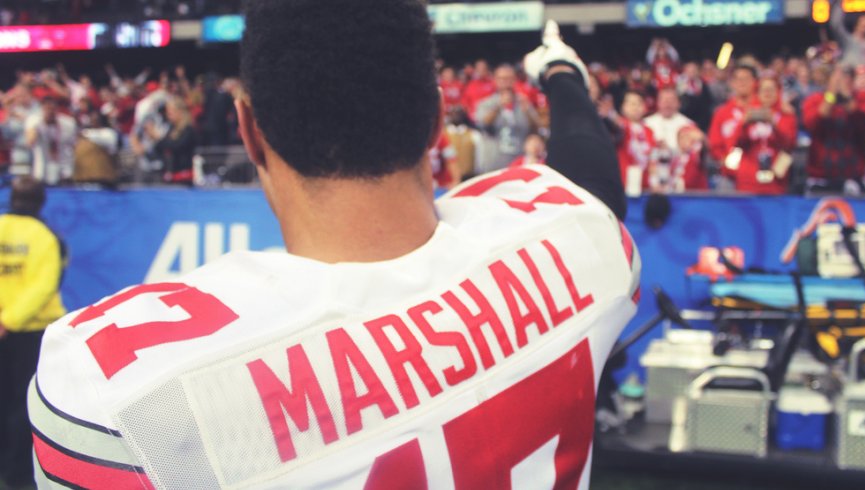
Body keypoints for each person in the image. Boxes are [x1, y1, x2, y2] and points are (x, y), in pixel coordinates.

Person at [29, 4, 639, 488]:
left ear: (248, 131)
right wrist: (563, 74)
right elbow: (588, 168)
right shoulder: (577, 236)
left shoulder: (114, 388)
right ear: (437, 119)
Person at [0, 176, 66, 488]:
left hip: (8, 328)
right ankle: (18, 476)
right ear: (41, 201)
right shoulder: (45, 237)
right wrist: (10, 320)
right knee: (23, 407)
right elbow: (44, 286)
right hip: (30, 332)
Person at [802, 66, 865, 194]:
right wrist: (831, 95)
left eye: (846, 77)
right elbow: (813, 123)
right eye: (837, 78)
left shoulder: (862, 99)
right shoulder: (814, 99)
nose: (841, 81)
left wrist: (845, 96)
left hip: (854, 178)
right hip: (821, 179)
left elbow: (862, 121)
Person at [726, 77, 798, 195]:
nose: (767, 93)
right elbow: (735, 143)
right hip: (748, 180)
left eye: (771, 90)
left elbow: (789, 145)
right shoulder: (747, 113)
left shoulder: (786, 115)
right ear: (757, 93)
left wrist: (774, 126)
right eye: (764, 90)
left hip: (775, 180)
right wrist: (744, 124)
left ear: (778, 92)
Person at [476, 64, 542, 172]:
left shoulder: (523, 102)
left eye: (509, 79)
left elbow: (536, 129)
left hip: (518, 163)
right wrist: (498, 107)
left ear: (515, 80)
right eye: (502, 79)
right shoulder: (486, 103)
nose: (506, 82)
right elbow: (482, 124)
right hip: (494, 163)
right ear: (495, 80)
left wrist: (528, 112)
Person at [709, 65, 759, 168]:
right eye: (738, 79)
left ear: (754, 82)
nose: (742, 83)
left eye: (746, 79)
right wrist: (724, 161)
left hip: (757, 171)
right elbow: (715, 145)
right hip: (731, 174)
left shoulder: (762, 110)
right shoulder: (722, 113)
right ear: (732, 83)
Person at [144, 97, 198, 185]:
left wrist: (158, 138)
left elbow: (177, 146)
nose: (168, 116)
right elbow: (160, 148)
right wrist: (153, 138)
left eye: (170, 113)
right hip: (170, 175)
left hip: (184, 176)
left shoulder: (188, 130)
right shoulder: (170, 128)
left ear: (180, 112)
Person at [25, 97, 77, 185]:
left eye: (53, 109)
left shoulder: (68, 123)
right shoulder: (34, 120)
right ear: (42, 109)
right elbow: (30, 142)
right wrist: (39, 126)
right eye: (47, 109)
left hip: (64, 169)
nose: (50, 112)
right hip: (42, 170)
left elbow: (74, 145)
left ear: (57, 109)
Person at [615, 91, 656, 193]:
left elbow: (652, 158)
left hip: (645, 185)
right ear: (623, 107)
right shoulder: (620, 125)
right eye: (632, 104)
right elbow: (614, 122)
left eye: (639, 103)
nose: (636, 107)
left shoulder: (649, 131)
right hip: (623, 184)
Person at [643, 87, 693, 155]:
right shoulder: (646, 123)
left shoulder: (688, 124)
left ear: (679, 103)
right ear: (658, 103)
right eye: (664, 100)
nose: (667, 104)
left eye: (671, 100)